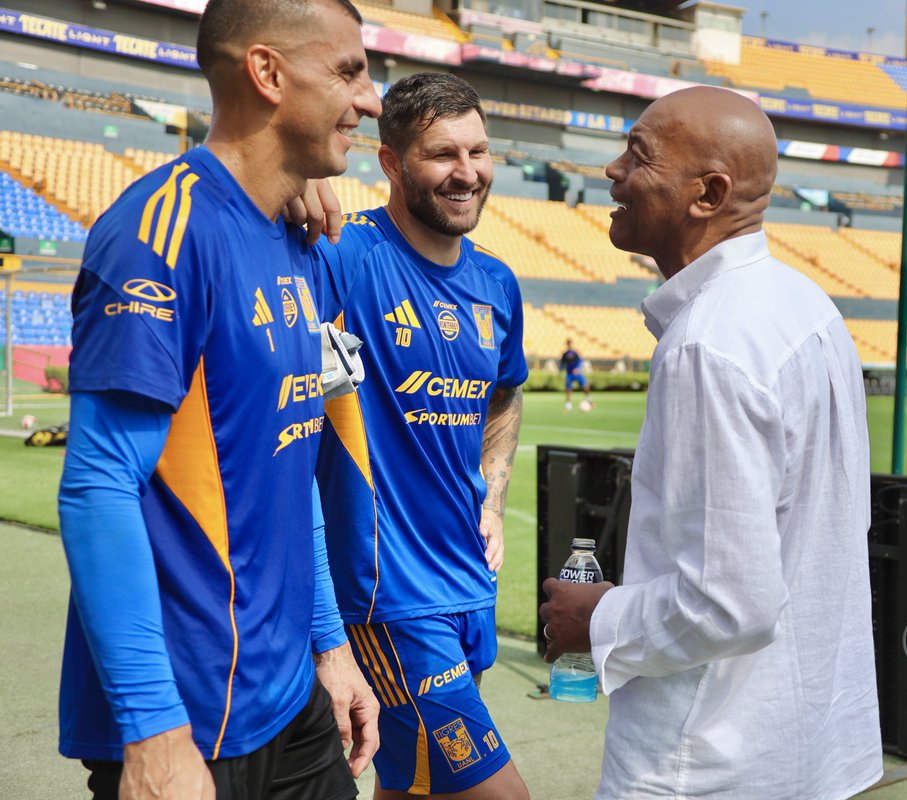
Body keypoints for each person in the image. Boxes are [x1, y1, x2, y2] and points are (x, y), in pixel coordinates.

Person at [56, 1, 382, 798]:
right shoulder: (159, 231)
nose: (371, 98)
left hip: (292, 707)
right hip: (188, 725)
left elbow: (289, 460)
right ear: (267, 74)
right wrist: (154, 731)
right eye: (348, 70)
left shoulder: (299, 242)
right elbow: (99, 486)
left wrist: (330, 648)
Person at [538, 86, 883, 799]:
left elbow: (729, 602)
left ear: (708, 193)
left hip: (707, 762)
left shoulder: (709, 343)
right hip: (808, 742)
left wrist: (594, 615)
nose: (612, 171)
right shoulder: (806, 305)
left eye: (638, 156)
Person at [312, 73, 529, 800]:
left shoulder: (497, 284)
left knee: (415, 787)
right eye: (441, 154)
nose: (466, 172)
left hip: (469, 583)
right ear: (390, 162)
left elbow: (504, 393)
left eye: (478, 151)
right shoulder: (342, 258)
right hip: (388, 598)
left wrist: (492, 497)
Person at [559, 338, 592, 412]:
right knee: (568, 389)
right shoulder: (565, 354)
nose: (569, 344)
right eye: (568, 343)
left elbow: (580, 361)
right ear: (566, 344)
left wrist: (578, 368)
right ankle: (568, 404)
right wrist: (561, 372)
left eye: (570, 343)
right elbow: (562, 364)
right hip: (569, 374)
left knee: (585, 386)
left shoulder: (576, 353)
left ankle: (588, 399)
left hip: (578, 373)